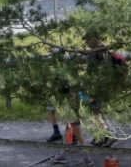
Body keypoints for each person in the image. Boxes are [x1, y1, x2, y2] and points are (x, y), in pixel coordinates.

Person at [50, 34, 119, 165]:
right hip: (87, 91)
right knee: (74, 123)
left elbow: (102, 74)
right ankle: (69, 154)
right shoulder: (93, 53)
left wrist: (91, 93)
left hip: (92, 92)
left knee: (75, 123)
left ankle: (82, 154)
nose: (86, 43)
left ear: (95, 39)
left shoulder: (101, 53)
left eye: (87, 40)